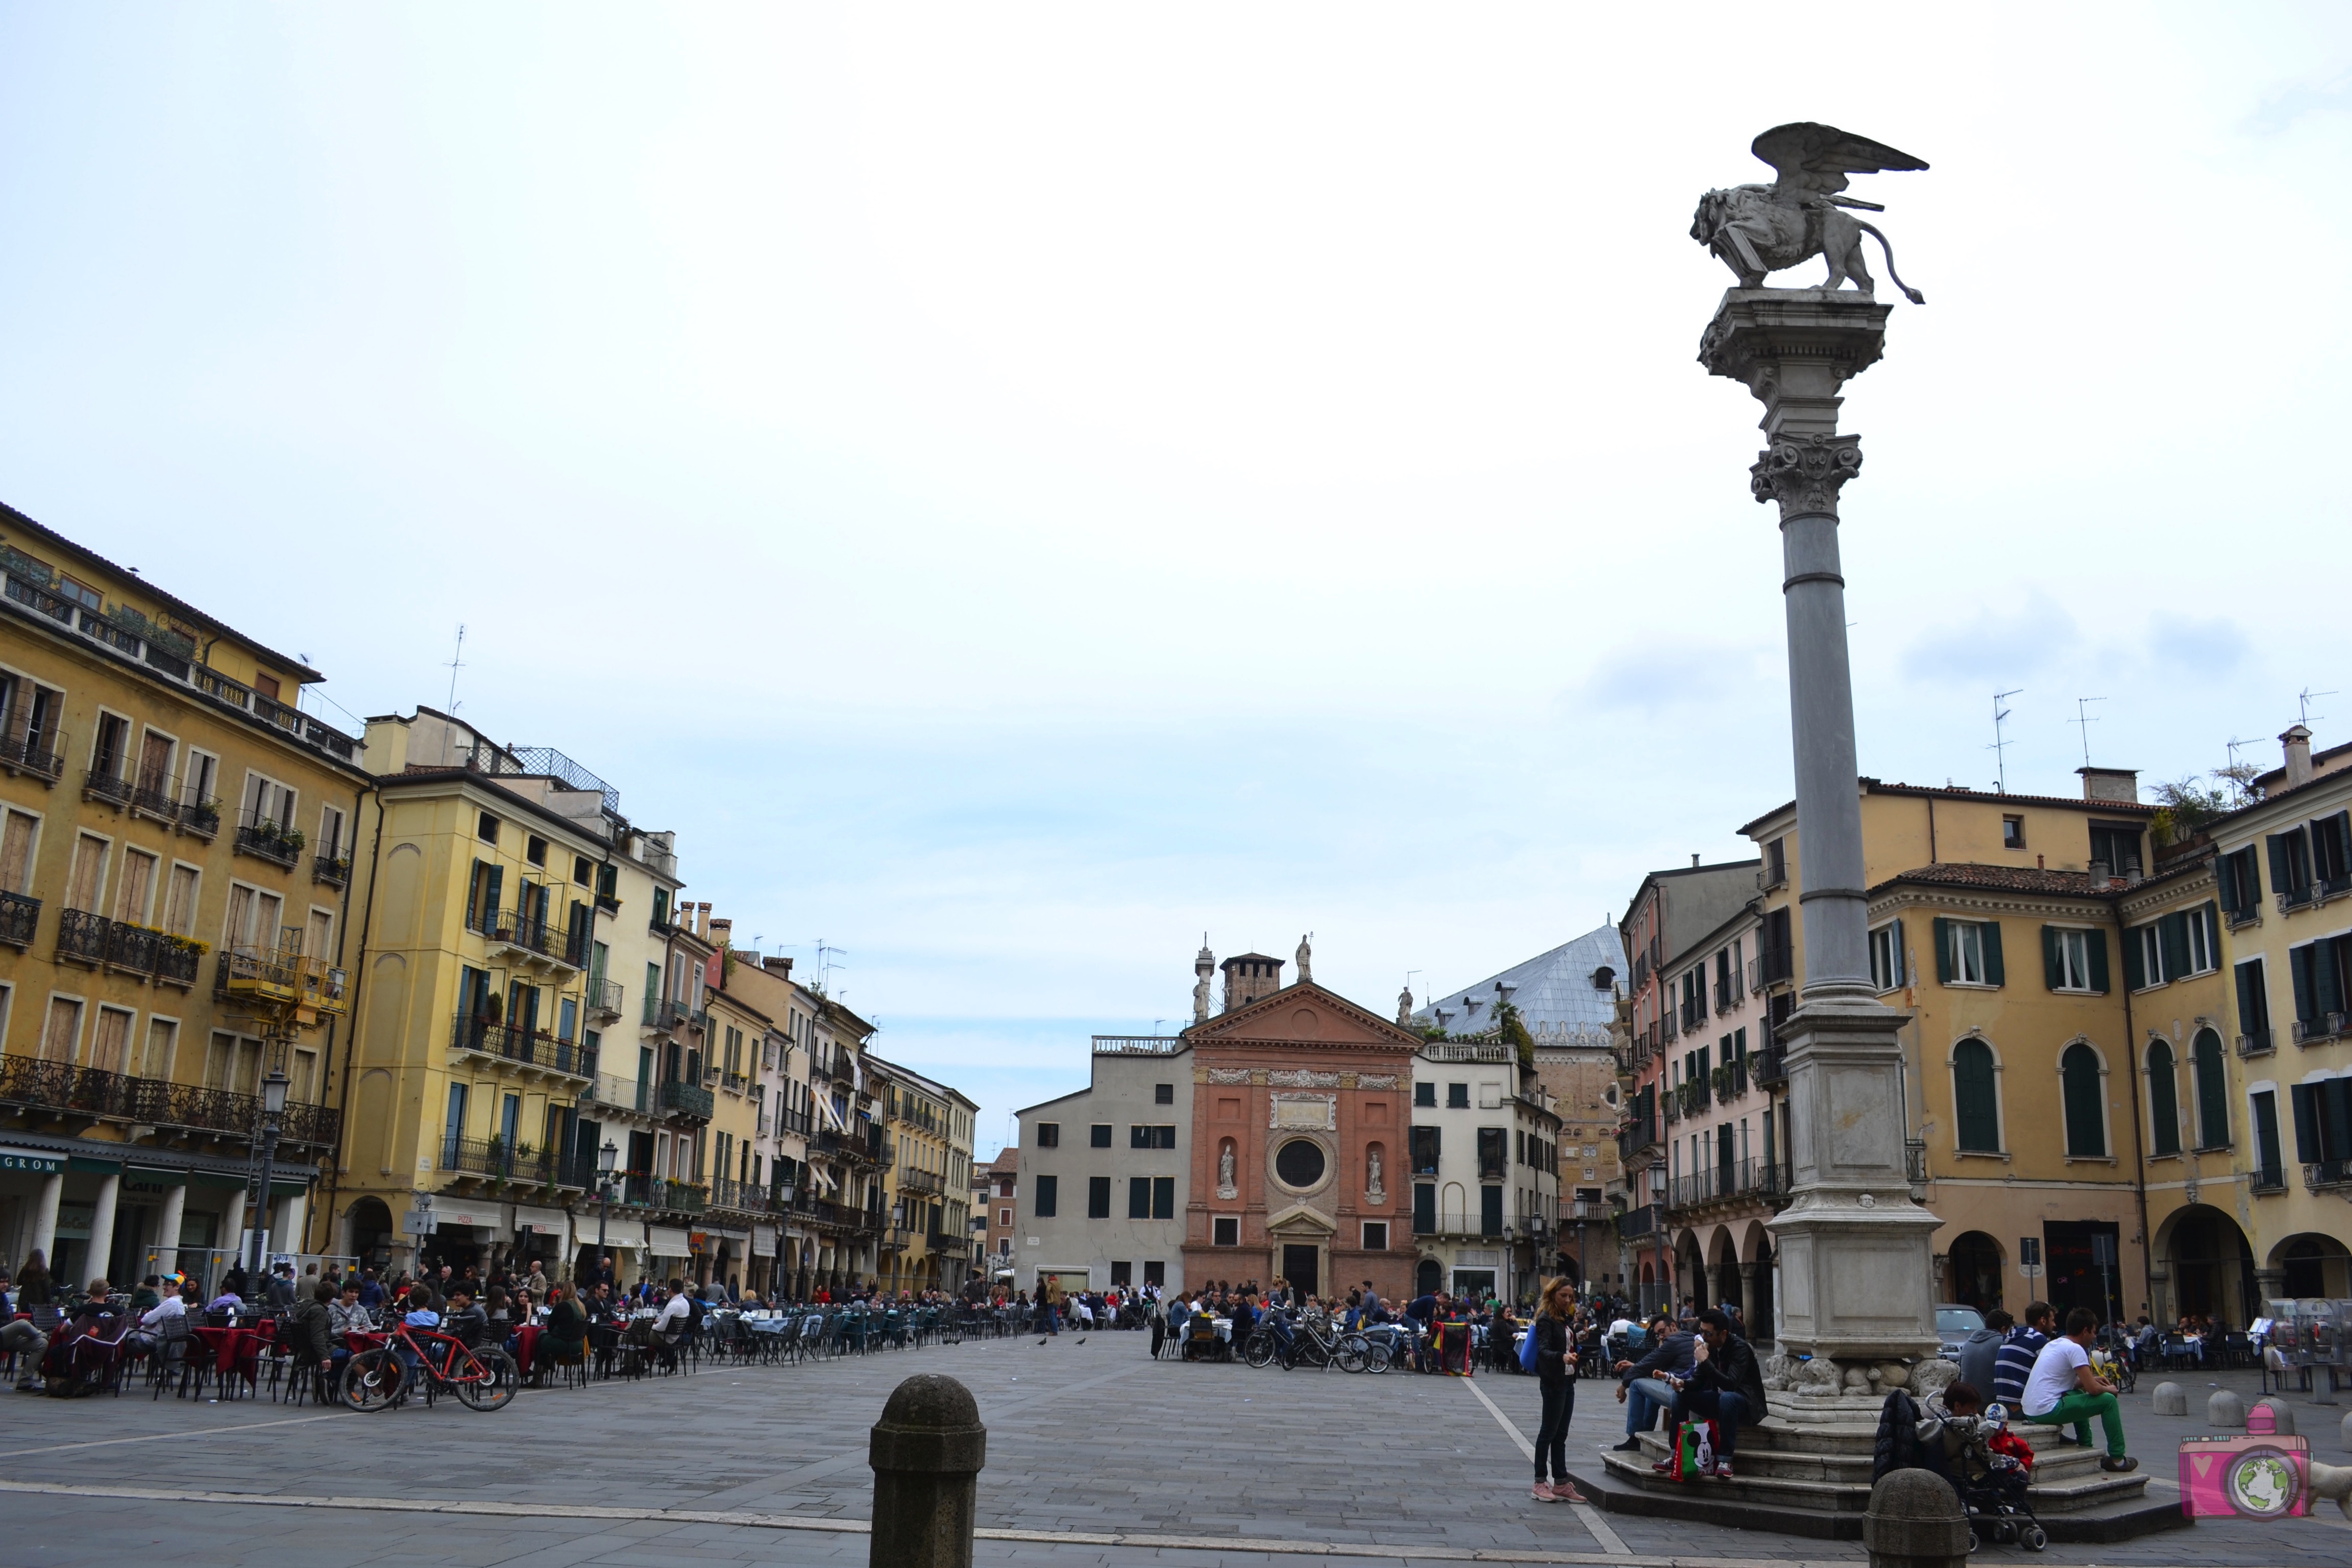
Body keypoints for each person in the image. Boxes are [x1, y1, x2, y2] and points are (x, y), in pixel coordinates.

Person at [2021, 1307, 2135, 1472]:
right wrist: (2111, 1389)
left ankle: (2086, 1446)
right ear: (2085, 1331)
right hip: (2047, 1409)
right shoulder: (2076, 1349)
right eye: (2094, 1332)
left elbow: (2069, 1384)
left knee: (2077, 1393)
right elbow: (2094, 1390)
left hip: (2031, 1409)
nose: (2095, 1336)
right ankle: (2118, 1459)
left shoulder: (2054, 1344)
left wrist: (2088, 1381)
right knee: (2109, 1401)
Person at [1660, 1308, 1765, 1480]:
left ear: (1723, 1333)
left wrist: (1705, 1361)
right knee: (1680, 1395)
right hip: (1721, 1402)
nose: (1704, 1337)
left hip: (1747, 1405)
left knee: (1728, 1398)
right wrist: (1682, 1384)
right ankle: (1675, 1454)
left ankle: (1725, 1460)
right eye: (1701, 1332)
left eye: (1708, 1333)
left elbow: (1730, 1384)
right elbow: (1699, 1380)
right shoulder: (1711, 1348)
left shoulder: (1740, 1349)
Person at [1530, 1278, 1588, 1504]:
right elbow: (1543, 1351)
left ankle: (1561, 1483)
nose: (1567, 1300)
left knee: (1561, 1435)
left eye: (1570, 1296)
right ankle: (1539, 1482)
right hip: (1553, 1382)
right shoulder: (1546, 1319)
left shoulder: (1564, 1318)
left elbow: (1564, 1344)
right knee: (1548, 1432)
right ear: (1552, 1294)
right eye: (1563, 1295)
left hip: (1567, 1380)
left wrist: (1576, 1342)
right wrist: (1562, 1356)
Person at [1611, 1315, 1696, 1451]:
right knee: (1653, 1380)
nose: (1661, 1337)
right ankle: (1644, 1432)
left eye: (1662, 1332)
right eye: (1658, 1335)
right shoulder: (1690, 1337)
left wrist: (1624, 1384)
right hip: (1688, 1389)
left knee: (1636, 1384)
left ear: (1673, 1327)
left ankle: (1635, 1438)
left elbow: (1649, 1363)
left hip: (1681, 1394)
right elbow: (1655, 1367)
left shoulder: (1673, 1342)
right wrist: (1636, 1366)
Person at [1991, 1301, 2051, 1411]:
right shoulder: (2037, 1338)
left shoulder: (2014, 1336)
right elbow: (2054, 1372)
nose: (2054, 1325)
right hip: (2021, 1407)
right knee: (2073, 1397)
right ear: (2043, 1321)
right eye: (2052, 1320)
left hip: (2002, 1405)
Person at [1957, 1307, 2010, 1397]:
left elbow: (1960, 1377)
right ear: (2003, 1329)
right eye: (2009, 1331)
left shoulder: (1967, 1344)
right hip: (1992, 1403)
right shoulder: (2003, 1343)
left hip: (1967, 1401)